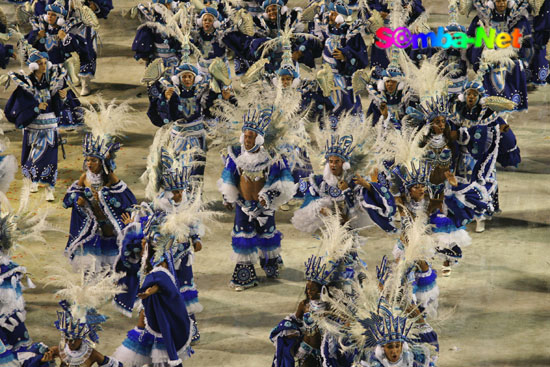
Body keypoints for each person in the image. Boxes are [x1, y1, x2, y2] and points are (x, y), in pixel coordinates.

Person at [217, 107, 295, 290]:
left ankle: (271, 264)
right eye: (245, 136)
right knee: (244, 239)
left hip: (265, 206)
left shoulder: (271, 158)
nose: (247, 139)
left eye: (251, 137)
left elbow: (282, 180)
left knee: (267, 235)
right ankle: (244, 276)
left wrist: (267, 196)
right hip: (243, 206)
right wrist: (227, 196)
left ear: (259, 139)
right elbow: (228, 176)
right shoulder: (235, 155)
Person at [63, 100, 137, 270]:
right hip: (92, 225)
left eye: (93, 160)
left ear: (101, 161)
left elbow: (125, 198)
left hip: (107, 225)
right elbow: (71, 197)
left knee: (109, 264)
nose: (89, 164)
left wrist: (105, 198)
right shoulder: (84, 177)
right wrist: (79, 200)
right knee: (91, 264)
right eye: (87, 160)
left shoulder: (110, 178)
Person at [4, 49, 69, 200]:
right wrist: (35, 108)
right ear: (33, 66)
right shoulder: (26, 85)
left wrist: (62, 98)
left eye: (45, 63)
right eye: (40, 63)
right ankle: (33, 180)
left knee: (50, 158)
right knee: (33, 156)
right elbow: (20, 105)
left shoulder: (52, 82)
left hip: (50, 125)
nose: (43, 66)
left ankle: (49, 188)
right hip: (33, 126)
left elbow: (57, 105)